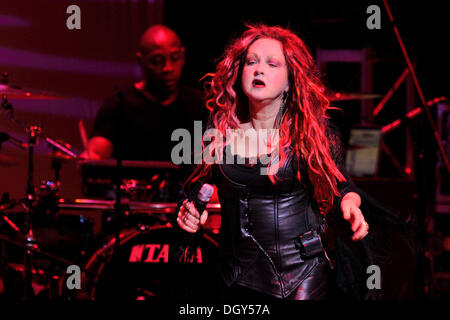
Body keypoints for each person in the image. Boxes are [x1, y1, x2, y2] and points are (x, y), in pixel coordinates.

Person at [175, 24, 415, 300]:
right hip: (235, 277)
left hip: (302, 277)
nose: (259, 69)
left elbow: (343, 187)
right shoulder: (216, 134)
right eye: (251, 61)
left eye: (272, 63)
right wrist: (190, 212)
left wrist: (351, 205)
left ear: (290, 80)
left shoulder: (309, 133)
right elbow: (192, 191)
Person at [82, 24, 207, 161]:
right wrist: (91, 158)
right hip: (135, 182)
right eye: (157, 61)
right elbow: (97, 153)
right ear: (141, 61)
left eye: (175, 58)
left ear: (183, 56)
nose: (168, 68)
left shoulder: (199, 104)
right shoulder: (119, 105)